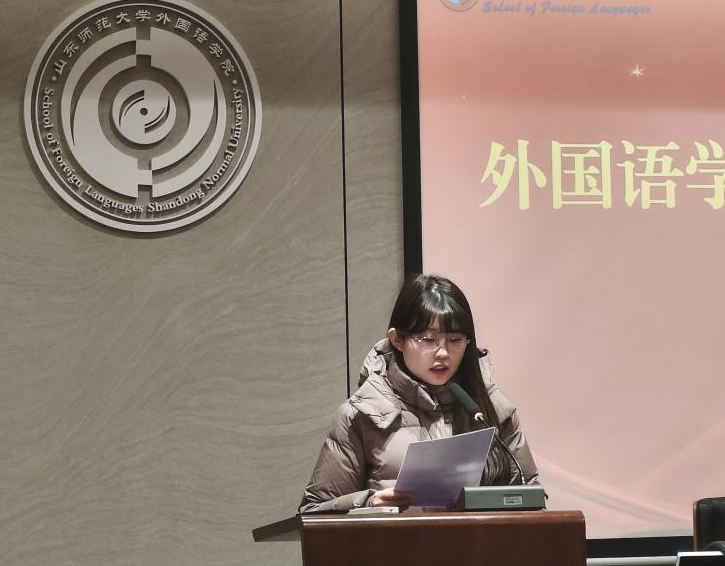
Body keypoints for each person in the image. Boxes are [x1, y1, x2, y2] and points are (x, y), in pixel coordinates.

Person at [299, 274, 538, 513]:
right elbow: (313, 513)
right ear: (397, 340)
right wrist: (370, 502)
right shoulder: (361, 415)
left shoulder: (491, 410)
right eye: (428, 339)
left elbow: (532, 501)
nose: (443, 352)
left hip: (480, 539)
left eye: (455, 339)